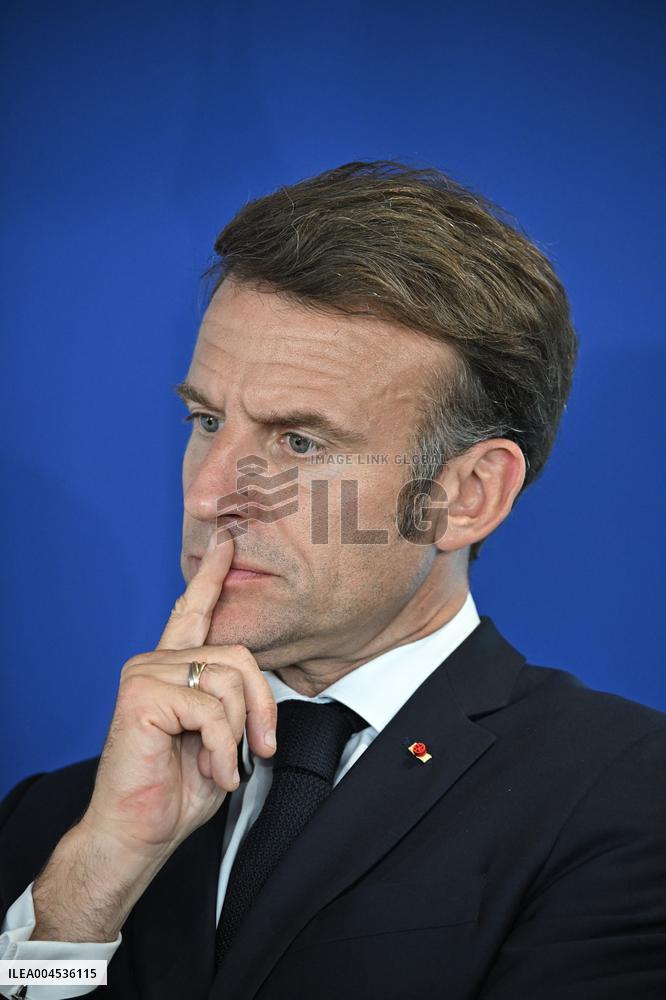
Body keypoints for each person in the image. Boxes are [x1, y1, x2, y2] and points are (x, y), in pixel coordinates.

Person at [1, 161, 664, 1000]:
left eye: (299, 444)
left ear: (464, 497)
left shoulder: (630, 797)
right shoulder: (57, 826)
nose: (210, 496)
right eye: (207, 421)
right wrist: (86, 896)